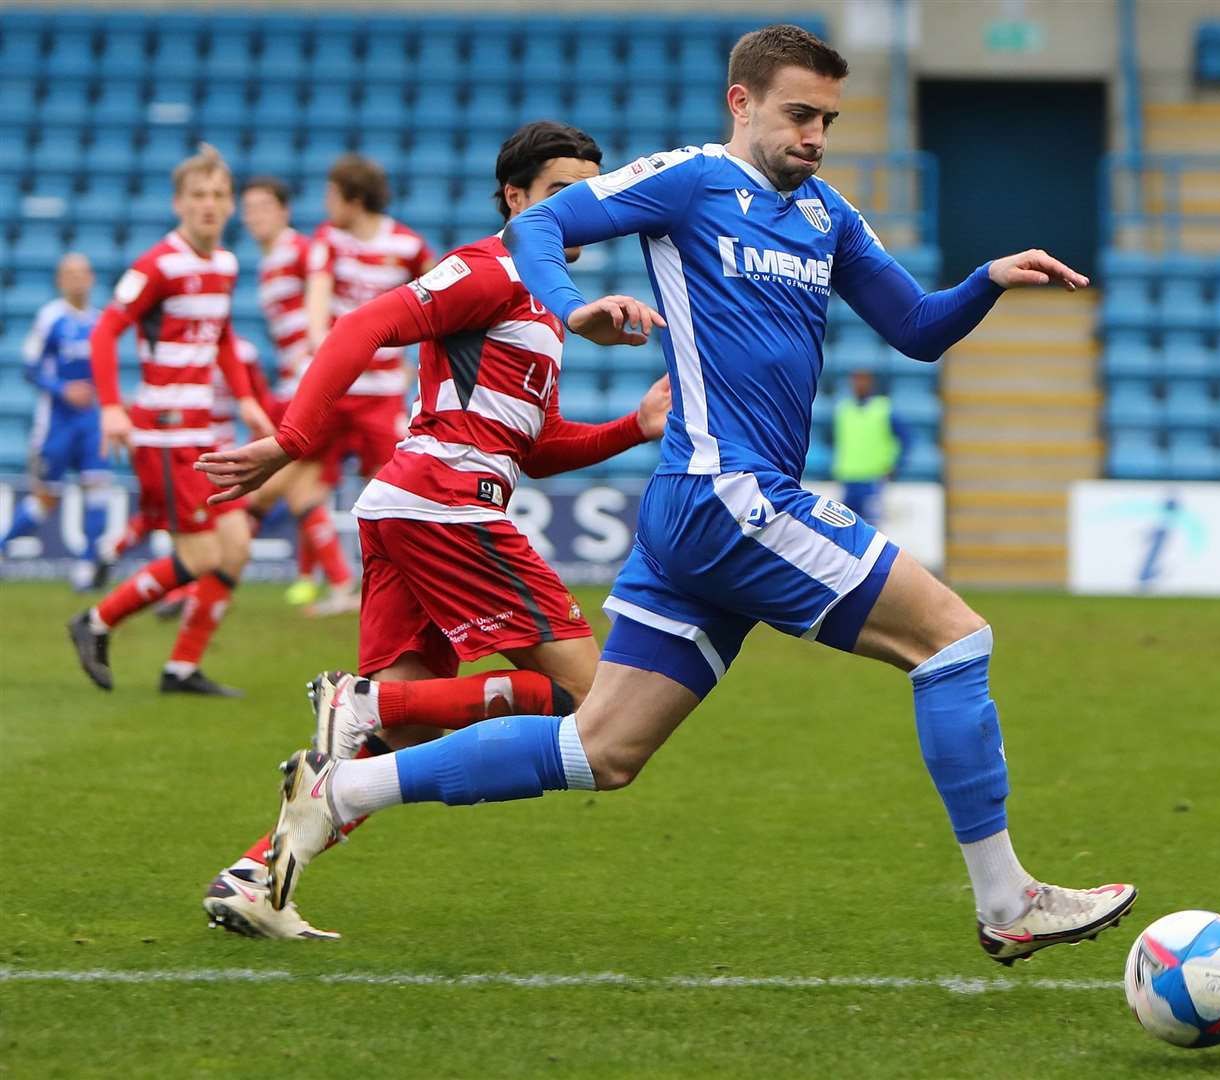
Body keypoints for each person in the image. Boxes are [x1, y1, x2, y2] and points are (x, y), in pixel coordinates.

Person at [211, 27, 1136, 963]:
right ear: (742, 103)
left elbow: (915, 328)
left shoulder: (826, 215)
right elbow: (539, 225)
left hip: (701, 514)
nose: (816, 135)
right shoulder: (691, 180)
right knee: (954, 641)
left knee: (600, 750)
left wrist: (986, 280)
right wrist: (568, 303)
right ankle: (1006, 899)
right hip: (728, 492)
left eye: (828, 119)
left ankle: (340, 793)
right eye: (798, 114)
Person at [196, 121, 670, 940]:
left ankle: (255, 878)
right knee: (599, 704)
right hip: (444, 506)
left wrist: (636, 425)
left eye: (592, 195)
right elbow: (361, 326)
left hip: (414, 507)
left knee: (404, 735)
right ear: (515, 199)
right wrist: (293, 440)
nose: (582, 210)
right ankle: (358, 698)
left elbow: (536, 445)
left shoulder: (545, 303)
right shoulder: (493, 268)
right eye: (562, 193)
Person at [67, 144, 273, 696]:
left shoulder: (225, 264)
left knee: (236, 548)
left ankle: (181, 668)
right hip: (162, 431)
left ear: (229, 205)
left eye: (218, 195)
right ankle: (96, 621)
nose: (209, 205)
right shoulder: (156, 265)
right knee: (202, 555)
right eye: (198, 195)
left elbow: (223, 335)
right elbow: (105, 331)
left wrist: (248, 397)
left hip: (201, 431)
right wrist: (112, 406)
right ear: (179, 203)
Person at [287, 154, 436, 615]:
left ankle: (409, 584)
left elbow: (439, 300)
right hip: (336, 387)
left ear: (354, 197)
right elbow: (317, 300)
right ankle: (340, 582)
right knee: (300, 484)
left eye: (332, 195)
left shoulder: (408, 246)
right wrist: (322, 350)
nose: (325, 204)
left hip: (381, 393)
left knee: (390, 488)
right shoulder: (327, 242)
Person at [238, 176, 355, 611]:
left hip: (312, 384)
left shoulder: (302, 251)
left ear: (284, 211)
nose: (255, 216)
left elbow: (339, 298)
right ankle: (341, 585)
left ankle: (213, 573)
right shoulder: (268, 262)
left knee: (262, 489)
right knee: (302, 493)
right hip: (297, 383)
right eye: (248, 209)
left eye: (264, 206)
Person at [0, 253, 113, 590]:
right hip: (56, 425)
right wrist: (64, 389)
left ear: (91, 278)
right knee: (46, 499)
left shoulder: (101, 321)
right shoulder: (49, 318)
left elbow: (107, 372)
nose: (77, 279)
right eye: (70, 274)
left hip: (91, 423)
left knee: (98, 490)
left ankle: (87, 567)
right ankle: (3, 546)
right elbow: (30, 368)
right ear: (60, 281)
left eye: (82, 273)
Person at [832, 368, 911, 523]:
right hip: (848, 477)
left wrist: (896, 464)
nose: (859, 385)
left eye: (864, 381)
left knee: (870, 528)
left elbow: (906, 438)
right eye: (856, 381)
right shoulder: (843, 409)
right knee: (846, 527)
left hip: (873, 478)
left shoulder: (884, 409)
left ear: (871, 384)